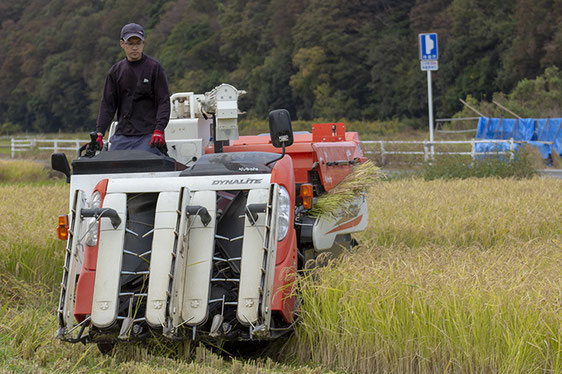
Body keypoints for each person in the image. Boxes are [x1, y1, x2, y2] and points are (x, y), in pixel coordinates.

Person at [94, 23, 170, 155]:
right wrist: (99, 132)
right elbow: (108, 104)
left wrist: (159, 130)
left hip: (149, 136)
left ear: (143, 44)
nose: (134, 47)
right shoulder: (115, 71)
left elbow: (163, 101)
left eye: (138, 43)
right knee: (112, 168)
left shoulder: (154, 68)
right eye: (130, 43)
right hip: (122, 136)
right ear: (122, 44)